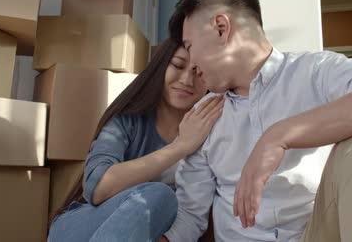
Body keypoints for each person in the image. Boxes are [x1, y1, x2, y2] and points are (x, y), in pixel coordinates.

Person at [160, 0, 352, 242]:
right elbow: (189, 216)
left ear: (221, 28)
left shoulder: (316, 72)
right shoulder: (202, 117)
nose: (191, 63)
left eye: (190, 46)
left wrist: (278, 137)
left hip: (314, 234)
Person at [48, 38, 224, 242]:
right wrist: (180, 147)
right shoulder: (127, 120)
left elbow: (196, 216)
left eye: (199, 71)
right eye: (177, 65)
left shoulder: (213, 134)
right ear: (160, 67)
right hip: (78, 230)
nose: (186, 79)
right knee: (160, 196)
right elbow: (97, 187)